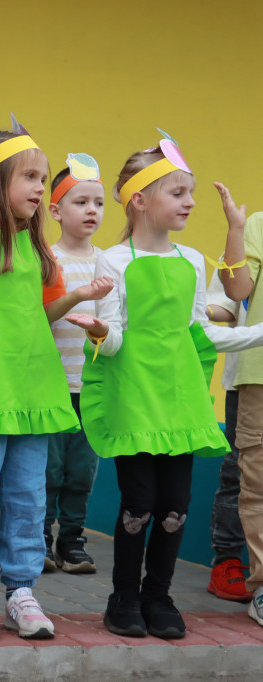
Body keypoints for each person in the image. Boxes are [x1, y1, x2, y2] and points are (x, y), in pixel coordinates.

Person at [77, 135, 263, 639]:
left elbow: (201, 332)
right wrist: (99, 332)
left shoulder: (192, 261)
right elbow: (114, 340)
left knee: (176, 505)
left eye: (191, 192)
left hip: (180, 403)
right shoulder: (114, 261)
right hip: (136, 400)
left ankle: (159, 596)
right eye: (178, 191)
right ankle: (123, 598)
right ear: (139, 200)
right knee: (139, 502)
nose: (190, 202)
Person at [0, 124, 112, 641]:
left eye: (42, 176)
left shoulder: (36, 247)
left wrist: (79, 298)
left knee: (28, 496)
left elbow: (41, 310)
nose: (40, 187)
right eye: (30, 176)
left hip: (33, 390)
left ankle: (20, 590)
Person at [43, 154, 106, 575]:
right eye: (81, 202)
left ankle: (72, 540)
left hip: (93, 386)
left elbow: (118, 320)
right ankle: (39, 538)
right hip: (50, 385)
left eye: (99, 203)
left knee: (82, 471)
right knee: (48, 470)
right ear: (55, 210)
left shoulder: (108, 261)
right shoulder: (47, 258)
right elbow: (39, 316)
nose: (91, 211)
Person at [217, 188, 263, 626]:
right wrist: (235, 227)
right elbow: (237, 289)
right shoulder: (258, 226)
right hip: (259, 373)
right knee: (256, 483)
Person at [203, 270, 252, 602]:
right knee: (239, 470)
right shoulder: (249, 235)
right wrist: (195, 308)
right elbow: (224, 303)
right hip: (248, 374)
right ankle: (228, 562)